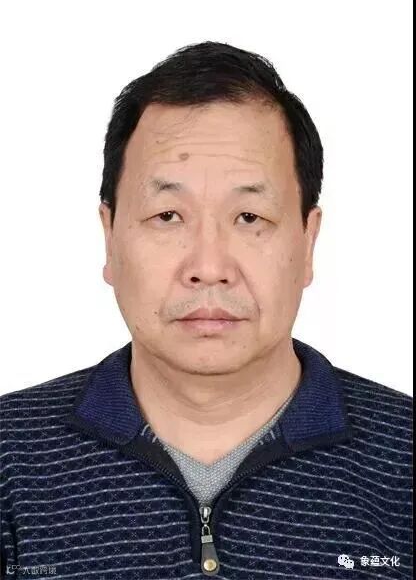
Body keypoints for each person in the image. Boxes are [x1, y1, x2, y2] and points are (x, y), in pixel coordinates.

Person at [1, 41, 412, 580]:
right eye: (168, 215)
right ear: (110, 237)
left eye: (249, 217)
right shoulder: (10, 458)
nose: (209, 266)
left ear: (308, 241)